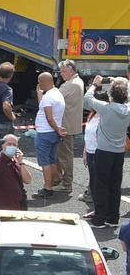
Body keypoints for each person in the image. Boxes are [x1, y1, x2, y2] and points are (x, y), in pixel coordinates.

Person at [85, 76, 130, 228]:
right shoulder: (128, 109)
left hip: (104, 151)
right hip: (119, 153)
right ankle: (113, 217)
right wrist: (121, 82)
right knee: (114, 185)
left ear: (111, 95)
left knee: (101, 185)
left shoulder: (105, 107)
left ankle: (99, 218)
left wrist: (95, 84)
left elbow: (87, 97)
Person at [32, 71, 67, 199]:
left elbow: (49, 117)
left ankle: (47, 188)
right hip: (52, 133)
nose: (39, 84)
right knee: (52, 160)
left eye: (40, 82)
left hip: (44, 133)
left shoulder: (48, 97)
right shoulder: (57, 93)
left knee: (44, 162)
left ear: (44, 82)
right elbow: (44, 107)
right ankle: (52, 183)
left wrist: (57, 129)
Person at [56, 60, 85, 193]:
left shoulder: (70, 85)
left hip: (65, 125)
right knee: (64, 154)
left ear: (71, 70)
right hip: (69, 124)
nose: (61, 74)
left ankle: (66, 183)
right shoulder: (77, 81)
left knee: (65, 155)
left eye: (63, 71)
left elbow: (52, 98)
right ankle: (61, 180)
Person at [0, 134, 31, 213]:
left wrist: (21, 162)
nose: (12, 146)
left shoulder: (17, 162)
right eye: (9, 144)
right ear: (2, 146)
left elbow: (28, 180)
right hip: (0, 208)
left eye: (14, 145)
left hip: (19, 207)